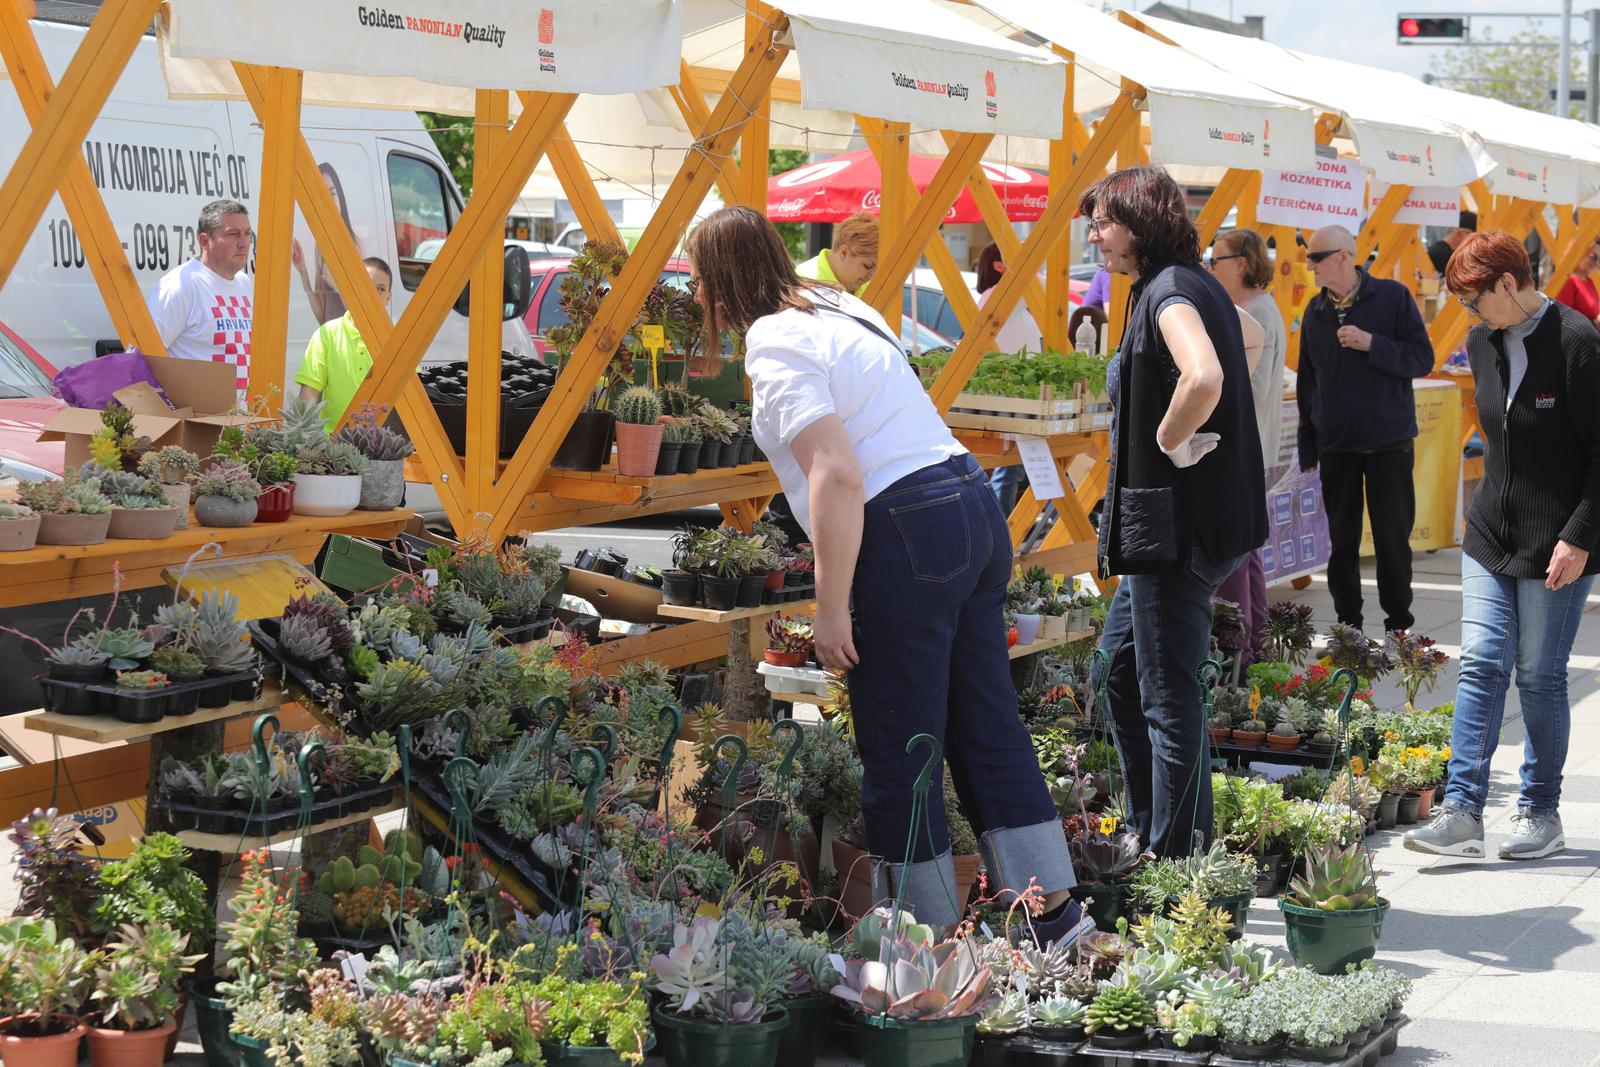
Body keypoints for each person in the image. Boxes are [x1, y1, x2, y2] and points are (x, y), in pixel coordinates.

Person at [686, 205, 1085, 941]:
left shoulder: (775, 343)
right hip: (966, 501)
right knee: (984, 721)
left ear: (716, 283)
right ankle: (1051, 913)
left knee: (900, 748)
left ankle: (922, 944)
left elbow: (837, 475)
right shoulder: (840, 306)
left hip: (906, 527)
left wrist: (830, 607)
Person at [1086, 167, 1266, 858]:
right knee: (1117, 673)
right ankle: (1147, 826)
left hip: (1175, 532)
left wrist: (1169, 440)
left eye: (1103, 220)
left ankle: (1177, 861)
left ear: (1139, 221)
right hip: (1171, 528)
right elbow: (1241, 342)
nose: (1096, 235)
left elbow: (1207, 374)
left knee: (1166, 697)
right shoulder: (1188, 286)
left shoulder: (1169, 291)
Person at [1405, 233, 1600, 862]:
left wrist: (1579, 538)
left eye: (1474, 299)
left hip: (1559, 543)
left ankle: (1540, 811)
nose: (1470, 312)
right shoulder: (1481, 341)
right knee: (1481, 662)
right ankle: (1462, 809)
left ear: (1508, 286)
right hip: (1490, 532)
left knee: (1539, 677)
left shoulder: (1578, 342)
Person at [1298, 224, 1433, 635]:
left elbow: (1422, 359)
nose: (1310, 266)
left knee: (1393, 540)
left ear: (1343, 256)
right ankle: (1348, 627)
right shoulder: (1315, 311)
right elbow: (1308, 382)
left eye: (1316, 258)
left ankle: (1398, 627)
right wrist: (1309, 445)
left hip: (1388, 442)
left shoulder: (1392, 297)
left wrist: (1372, 343)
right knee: (1342, 542)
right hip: (1337, 444)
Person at [1208, 229, 1288, 659]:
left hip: (1243, 448)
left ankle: (1236, 647)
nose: (1209, 268)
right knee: (1248, 550)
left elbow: (1248, 388)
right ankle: (1253, 644)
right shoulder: (1255, 308)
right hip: (1251, 447)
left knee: (1235, 551)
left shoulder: (1253, 313)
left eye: (1215, 260)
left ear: (1240, 263)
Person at [146, 199, 254, 396]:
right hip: (199, 421)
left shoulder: (244, 283)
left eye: (247, 233)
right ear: (205, 241)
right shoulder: (180, 286)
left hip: (242, 421)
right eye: (232, 234)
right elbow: (143, 357)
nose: (243, 242)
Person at [976, 242, 1043, 513]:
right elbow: (1036, 280)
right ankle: (999, 524)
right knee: (1010, 467)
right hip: (1012, 391)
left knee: (1014, 467)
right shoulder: (1000, 295)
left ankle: (1001, 525)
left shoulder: (1006, 297)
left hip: (1020, 390)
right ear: (999, 266)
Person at [296, 258, 391, 430]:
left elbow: (411, 400)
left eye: (381, 289)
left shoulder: (397, 342)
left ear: (388, 297)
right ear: (354, 288)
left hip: (384, 452)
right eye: (367, 285)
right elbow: (307, 401)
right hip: (334, 451)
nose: (373, 293)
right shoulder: (326, 335)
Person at [292, 163, 357, 325]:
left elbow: (363, 317)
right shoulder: (321, 247)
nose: (329, 202)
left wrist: (339, 287)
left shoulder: (354, 245)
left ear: (340, 197)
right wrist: (303, 271)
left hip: (349, 346)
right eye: (322, 196)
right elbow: (322, 316)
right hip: (331, 344)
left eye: (332, 194)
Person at [795, 210, 878, 297]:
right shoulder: (801, 282)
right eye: (867, 266)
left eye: (876, 269)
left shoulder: (870, 287)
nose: (871, 276)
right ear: (844, 253)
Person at [1553, 240, 1600, 325]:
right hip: (1576, 337)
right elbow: (1562, 319)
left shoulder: (1589, 281)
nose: (1597, 264)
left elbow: (1593, 314)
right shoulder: (1570, 280)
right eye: (1594, 257)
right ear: (1581, 251)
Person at [1427, 210, 1477, 276]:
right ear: (1459, 233)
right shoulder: (1444, 255)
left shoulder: (1440, 250)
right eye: (1472, 236)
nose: (1474, 241)